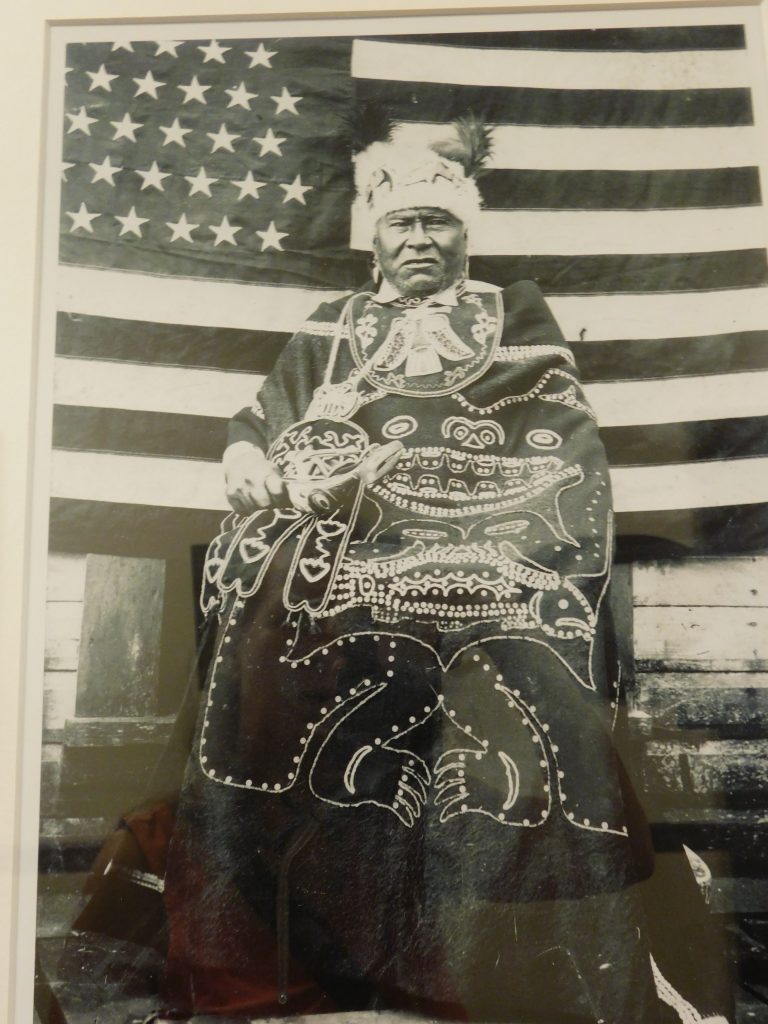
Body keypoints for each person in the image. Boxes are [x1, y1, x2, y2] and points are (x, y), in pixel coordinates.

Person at [159, 122, 730, 1024]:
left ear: (466, 231)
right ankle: (308, 932)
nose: (420, 239)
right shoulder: (330, 326)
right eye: (402, 224)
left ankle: (498, 949)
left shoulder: (516, 314)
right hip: (346, 542)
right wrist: (244, 458)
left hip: (497, 535)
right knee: (265, 600)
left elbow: (564, 444)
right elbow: (260, 419)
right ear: (375, 235)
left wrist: (485, 523)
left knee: (511, 631)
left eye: (438, 222)